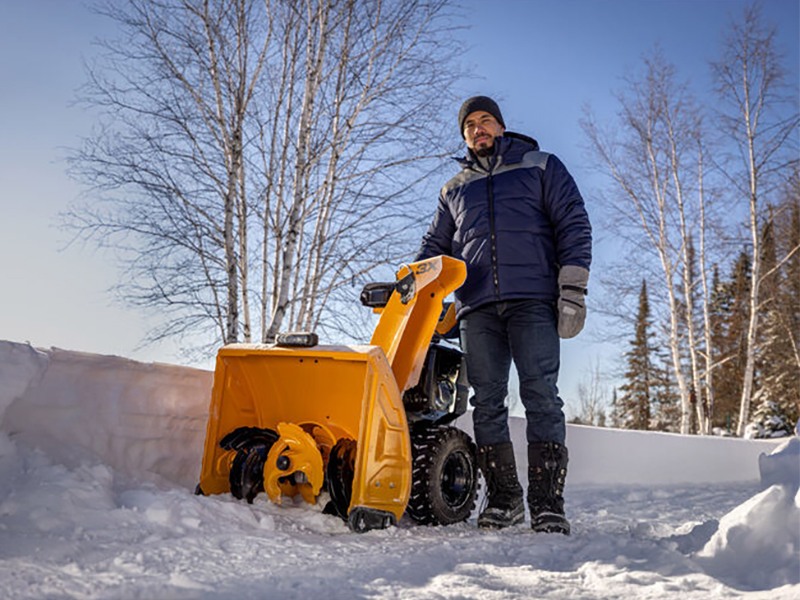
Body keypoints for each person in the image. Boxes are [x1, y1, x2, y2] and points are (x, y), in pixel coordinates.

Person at [415, 96, 592, 534]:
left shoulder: (539, 165)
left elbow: (573, 221)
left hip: (533, 299)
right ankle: (505, 499)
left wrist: (572, 290)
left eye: (485, 121)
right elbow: (433, 248)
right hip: (477, 309)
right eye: (470, 125)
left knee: (541, 395)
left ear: (501, 125)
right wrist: (414, 292)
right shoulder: (454, 189)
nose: (478, 129)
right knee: (486, 402)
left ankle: (548, 503)